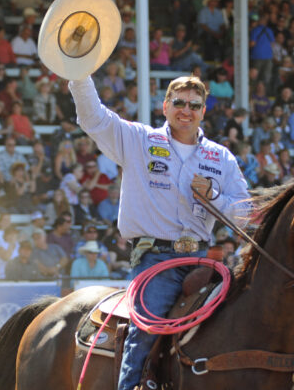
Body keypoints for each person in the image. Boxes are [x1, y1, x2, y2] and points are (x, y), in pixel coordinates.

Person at [69, 73, 249, 390]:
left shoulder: (221, 158)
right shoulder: (139, 141)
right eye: (178, 103)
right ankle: (131, 386)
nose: (186, 110)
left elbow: (247, 214)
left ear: (203, 111)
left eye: (194, 105)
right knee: (145, 327)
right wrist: (80, 75)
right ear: (164, 107)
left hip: (204, 260)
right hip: (154, 260)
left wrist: (215, 197)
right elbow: (93, 119)